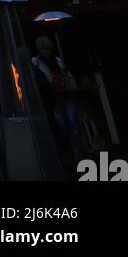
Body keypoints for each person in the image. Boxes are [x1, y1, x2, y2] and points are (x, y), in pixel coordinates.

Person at [32, 35, 81, 169]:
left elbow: (68, 76)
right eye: (44, 50)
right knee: (61, 125)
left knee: (72, 123)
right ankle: (69, 158)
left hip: (63, 95)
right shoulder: (35, 63)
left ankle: (75, 157)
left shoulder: (57, 61)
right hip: (53, 98)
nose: (47, 52)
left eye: (48, 50)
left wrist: (69, 82)